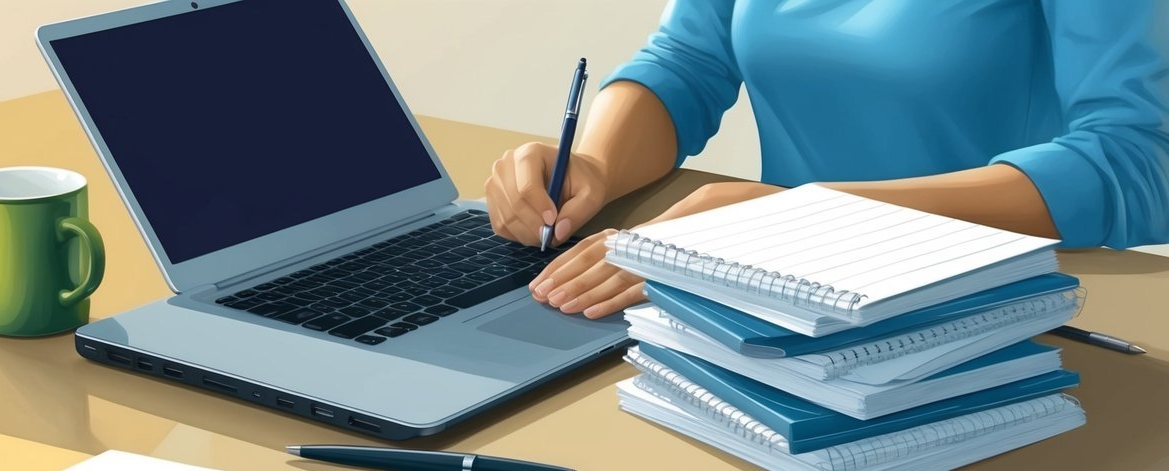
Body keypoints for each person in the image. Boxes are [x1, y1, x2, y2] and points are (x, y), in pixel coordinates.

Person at [485, 0, 1169, 320]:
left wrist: (811, 217)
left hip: (978, 315)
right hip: (758, 293)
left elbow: (1135, 158)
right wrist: (597, 163)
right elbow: (688, 61)